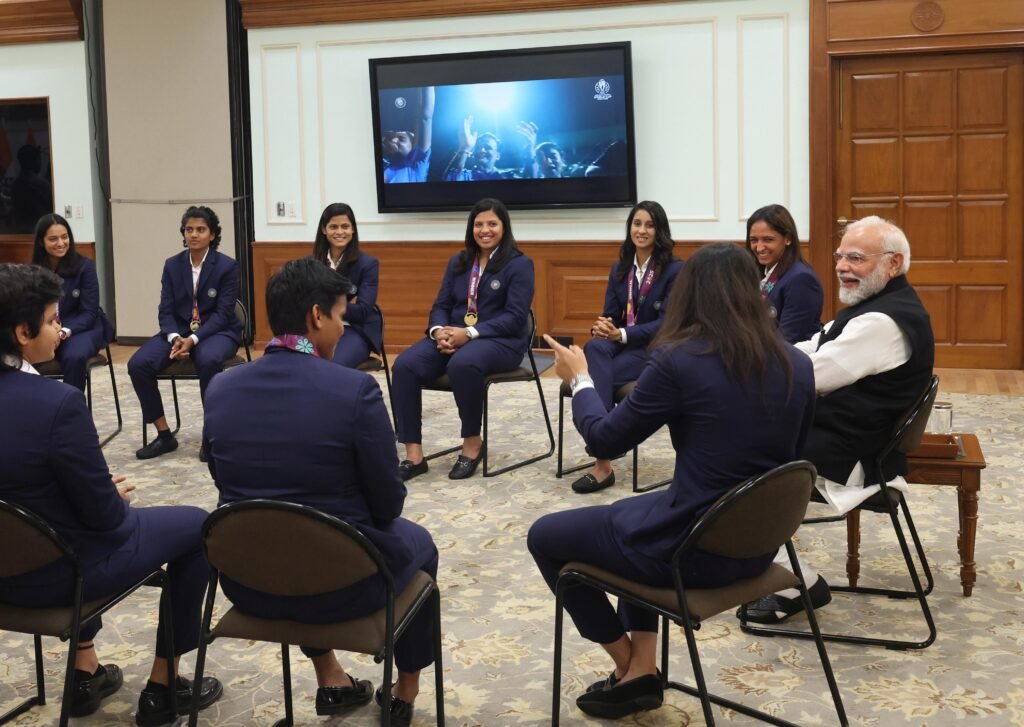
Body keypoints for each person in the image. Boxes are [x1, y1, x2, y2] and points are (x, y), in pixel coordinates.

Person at [528, 242, 815, 720]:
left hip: (692, 552)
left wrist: (580, 379)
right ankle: (641, 666)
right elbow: (791, 462)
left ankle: (627, 663)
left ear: (689, 295)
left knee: (546, 536)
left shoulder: (680, 361)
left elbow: (604, 439)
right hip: (760, 545)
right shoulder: (798, 364)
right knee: (627, 515)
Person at [203, 258, 438, 727]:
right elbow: (388, 504)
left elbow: (222, 479)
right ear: (316, 316)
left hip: (247, 581)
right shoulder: (355, 389)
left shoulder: (221, 387)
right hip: (346, 586)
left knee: (293, 534)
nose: (343, 328)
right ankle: (404, 688)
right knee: (421, 545)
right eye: (340, 316)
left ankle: (330, 676)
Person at [0, 263, 223, 726]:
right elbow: (108, 522)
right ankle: (164, 686)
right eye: (52, 320)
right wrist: (110, 496)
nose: (60, 329)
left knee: (62, 518)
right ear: (22, 332)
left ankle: (86, 671)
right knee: (198, 526)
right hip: (59, 577)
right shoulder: (58, 403)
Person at [740, 216, 934, 624]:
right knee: (738, 439)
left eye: (857, 258)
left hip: (855, 453)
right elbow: (813, 345)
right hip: (846, 434)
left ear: (894, 264)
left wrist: (743, 371)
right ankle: (757, 563)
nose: (843, 266)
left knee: (731, 459)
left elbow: (811, 377)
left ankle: (797, 582)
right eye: (840, 256)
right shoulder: (873, 306)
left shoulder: (881, 322)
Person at [392, 198, 534, 481]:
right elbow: (441, 305)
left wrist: (468, 333)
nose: (485, 230)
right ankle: (413, 455)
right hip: (453, 336)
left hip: (501, 341)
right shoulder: (458, 262)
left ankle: (472, 445)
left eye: (492, 224)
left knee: (463, 364)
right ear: (471, 228)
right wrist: (439, 332)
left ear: (504, 227)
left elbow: (516, 317)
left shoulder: (519, 264)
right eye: (478, 224)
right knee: (404, 366)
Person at [570, 200, 683, 494]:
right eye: (637, 223)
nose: (641, 230)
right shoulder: (620, 268)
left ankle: (602, 460)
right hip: (622, 342)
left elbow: (667, 323)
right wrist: (603, 326)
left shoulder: (675, 269)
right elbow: (611, 313)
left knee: (594, 378)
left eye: (649, 225)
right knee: (594, 347)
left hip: (655, 348)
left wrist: (619, 334)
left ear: (660, 231)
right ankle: (606, 438)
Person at [128, 205, 240, 462]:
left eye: (201, 230)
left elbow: (223, 314)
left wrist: (193, 340)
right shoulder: (172, 265)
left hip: (217, 332)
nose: (194, 235)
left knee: (208, 360)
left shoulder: (226, 266)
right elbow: (165, 309)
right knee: (138, 365)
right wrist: (175, 338)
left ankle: (211, 435)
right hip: (178, 331)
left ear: (212, 234)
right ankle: (164, 435)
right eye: (189, 230)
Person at [30, 213, 114, 391]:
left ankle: (72, 405)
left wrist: (62, 332)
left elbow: (89, 312)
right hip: (46, 327)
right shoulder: (33, 271)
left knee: (74, 356)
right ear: (41, 242)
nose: (61, 243)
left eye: (64, 237)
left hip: (81, 328)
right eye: (53, 239)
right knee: (21, 354)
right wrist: (46, 331)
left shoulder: (85, 266)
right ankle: (35, 403)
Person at [311, 202, 383, 367]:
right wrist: (345, 303)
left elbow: (362, 311)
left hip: (354, 329)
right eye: (333, 227)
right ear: (324, 229)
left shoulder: (368, 264)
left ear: (353, 229)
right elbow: (301, 304)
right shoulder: (310, 263)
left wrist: (322, 304)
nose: (340, 232)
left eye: (345, 226)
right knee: (296, 361)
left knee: (331, 366)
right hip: (317, 328)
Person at [746, 204, 823, 343]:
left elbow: (789, 338)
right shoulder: (764, 271)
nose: (759, 247)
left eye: (768, 240)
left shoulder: (801, 279)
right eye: (754, 240)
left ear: (788, 238)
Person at [382, 86, 435, 184]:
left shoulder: (416, 167)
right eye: (389, 138)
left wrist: (428, 83)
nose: (393, 140)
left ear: (413, 145)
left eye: (401, 139)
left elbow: (426, 118)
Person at [443, 116, 513, 181]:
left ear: (497, 156)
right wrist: (465, 148)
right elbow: (447, 178)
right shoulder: (465, 176)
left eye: (488, 147)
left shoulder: (508, 176)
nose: (481, 150)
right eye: (478, 147)